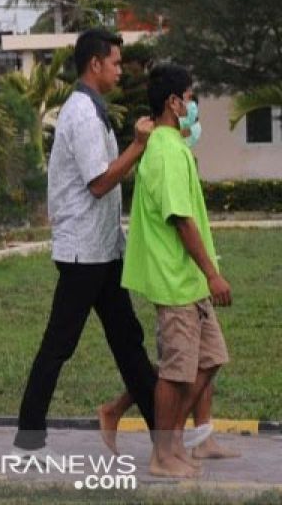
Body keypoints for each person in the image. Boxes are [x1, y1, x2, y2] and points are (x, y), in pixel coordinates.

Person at [13, 28, 158, 453]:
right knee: (60, 344)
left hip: (102, 249)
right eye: (114, 62)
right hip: (82, 254)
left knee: (128, 341)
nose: (118, 69)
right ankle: (29, 437)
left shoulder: (93, 110)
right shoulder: (80, 114)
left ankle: (164, 436)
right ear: (95, 64)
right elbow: (99, 182)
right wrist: (139, 146)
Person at [122, 63, 232, 478]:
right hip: (175, 280)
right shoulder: (166, 152)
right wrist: (212, 274)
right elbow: (181, 220)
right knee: (176, 371)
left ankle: (173, 443)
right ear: (172, 102)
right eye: (188, 97)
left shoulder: (175, 147)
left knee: (210, 359)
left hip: (189, 281)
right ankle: (162, 453)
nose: (192, 106)